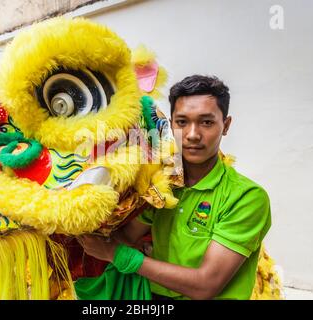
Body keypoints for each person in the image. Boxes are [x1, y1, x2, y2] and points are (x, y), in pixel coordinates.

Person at [78, 75, 272, 300]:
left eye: (206, 122)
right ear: (171, 124)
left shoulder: (247, 197)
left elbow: (206, 285)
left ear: (226, 125)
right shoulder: (162, 185)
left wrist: (117, 254)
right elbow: (127, 237)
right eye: (182, 122)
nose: (192, 135)